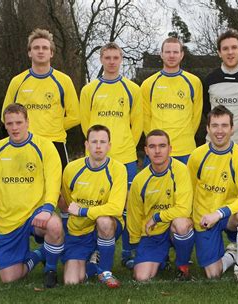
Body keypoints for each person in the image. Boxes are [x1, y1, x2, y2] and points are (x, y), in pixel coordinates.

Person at [0, 104, 63, 288]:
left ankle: (50, 269)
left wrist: (48, 209)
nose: (15, 127)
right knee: (10, 278)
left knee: (55, 225)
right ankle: (40, 254)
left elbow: (53, 180)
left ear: (27, 122)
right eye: (10, 123)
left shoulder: (45, 147)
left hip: (36, 212)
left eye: (19, 122)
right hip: (8, 219)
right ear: (5, 125)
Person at [79, 42, 142, 268]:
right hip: (97, 159)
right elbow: (86, 124)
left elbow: (138, 124)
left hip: (125, 158)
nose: (112, 61)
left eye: (116, 57)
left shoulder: (133, 89)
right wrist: (99, 149)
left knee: (128, 206)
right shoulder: (89, 90)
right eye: (108, 57)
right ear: (101, 59)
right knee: (100, 204)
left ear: (121, 59)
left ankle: (128, 252)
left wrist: (125, 146)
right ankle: (94, 250)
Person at [188, 105, 238, 284]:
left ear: (232, 129)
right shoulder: (197, 156)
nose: (220, 131)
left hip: (227, 216)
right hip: (204, 218)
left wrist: (218, 214)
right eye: (215, 126)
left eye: (224, 125)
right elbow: (189, 191)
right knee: (213, 274)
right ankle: (233, 255)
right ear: (208, 129)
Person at [1, 28, 80, 170]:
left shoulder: (64, 81)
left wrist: (53, 125)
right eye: (36, 48)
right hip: (24, 143)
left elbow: (75, 116)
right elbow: (4, 115)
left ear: (51, 53)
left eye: (45, 48)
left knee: (58, 191)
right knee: (25, 190)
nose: (41, 51)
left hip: (54, 143)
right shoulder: (17, 81)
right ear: (29, 53)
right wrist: (23, 129)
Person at [61, 125, 127, 288]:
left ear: (109, 146)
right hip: (79, 231)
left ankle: (105, 271)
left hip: (106, 225)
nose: (98, 146)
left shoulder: (118, 169)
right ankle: (92, 259)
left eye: (103, 142)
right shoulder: (71, 169)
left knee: (104, 221)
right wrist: (78, 213)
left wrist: (83, 211)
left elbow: (116, 208)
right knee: (71, 281)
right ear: (86, 145)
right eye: (94, 141)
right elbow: (69, 202)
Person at [127, 129, 194, 281]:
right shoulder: (140, 180)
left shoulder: (181, 171)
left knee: (182, 224)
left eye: (162, 146)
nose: (157, 151)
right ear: (146, 150)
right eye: (152, 146)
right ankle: (161, 259)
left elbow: (184, 209)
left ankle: (183, 266)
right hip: (153, 234)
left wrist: (157, 217)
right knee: (142, 277)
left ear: (170, 149)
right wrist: (137, 244)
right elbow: (134, 214)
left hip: (173, 227)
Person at [141, 37, 203, 164]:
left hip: (185, 150)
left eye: (175, 52)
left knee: (186, 184)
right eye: (168, 52)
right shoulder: (148, 84)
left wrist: (186, 137)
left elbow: (196, 116)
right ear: (161, 54)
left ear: (181, 55)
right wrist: (155, 143)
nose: (171, 55)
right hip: (157, 151)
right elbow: (145, 118)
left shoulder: (194, 82)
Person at [203, 29, 238, 162]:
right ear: (219, 53)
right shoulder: (210, 80)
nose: (230, 52)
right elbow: (206, 110)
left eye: (234, 47)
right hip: (216, 145)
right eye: (225, 48)